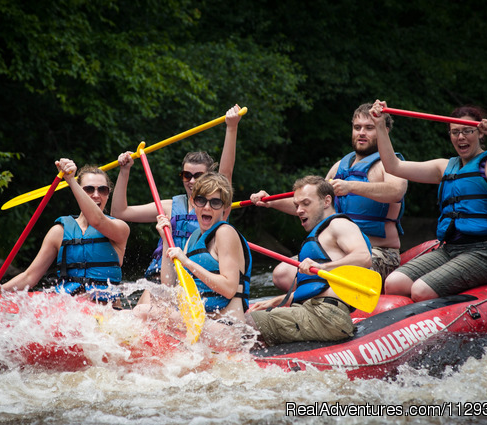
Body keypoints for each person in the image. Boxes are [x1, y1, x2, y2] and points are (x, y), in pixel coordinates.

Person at [370, 100, 487, 302]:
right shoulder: (444, 167)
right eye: (455, 132)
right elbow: (393, 167)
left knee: (421, 290)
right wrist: (379, 125)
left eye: (468, 131)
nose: (461, 137)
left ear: (481, 133)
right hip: (450, 249)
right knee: (394, 283)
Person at [250, 103, 407, 290]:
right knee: (282, 274)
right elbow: (313, 206)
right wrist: (270, 202)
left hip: (378, 252)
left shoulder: (391, 165)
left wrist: (351, 186)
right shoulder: (340, 166)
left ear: (384, 130)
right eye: (357, 128)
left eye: (369, 128)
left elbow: (396, 190)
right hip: (335, 249)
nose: (361, 133)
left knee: (336, 274)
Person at [111, 105, 242, 283]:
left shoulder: (219, 208)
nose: (192, 181)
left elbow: (226, 174)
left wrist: (231, 127)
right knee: (141, 311)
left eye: (198, 176)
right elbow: (119, 213)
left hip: (196, 279)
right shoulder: (169, 206)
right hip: (163, 277)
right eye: (186, 175)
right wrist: (124, 171)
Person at [0, 158, 130, 304]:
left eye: (102, 190)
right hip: (69, 310)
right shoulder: (59, 232)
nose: (96, 195)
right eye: (89, 189)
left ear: (108, 194)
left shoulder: (119, 229)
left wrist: (71, 180)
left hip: (106, 310)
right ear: (79, 191)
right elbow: (30, 276)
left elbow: (97, 221)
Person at [246, 176, 372, 346]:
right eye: (297, 205)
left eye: (306, 203)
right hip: (313, 310)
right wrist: (273, 301)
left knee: (244, 323)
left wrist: (322, 266)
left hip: (327, 316)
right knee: (247, 318)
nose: (299, 210)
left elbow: (364, 257)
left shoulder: (339, 225)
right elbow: (315, 288)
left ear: (327, 201)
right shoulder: (322, 233)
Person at [134, 172, 252, 348]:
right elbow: (168, 284)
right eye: (201, 200)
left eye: (215, 202)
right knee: (153, 303)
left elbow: (228, 288)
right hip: (202, 326)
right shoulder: (194, 238)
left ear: (224, 209)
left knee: (142, 312)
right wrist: (167, 241)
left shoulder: (225, 233)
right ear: (194, 203)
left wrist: (187, 262)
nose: (207, 207)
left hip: (227, 331)